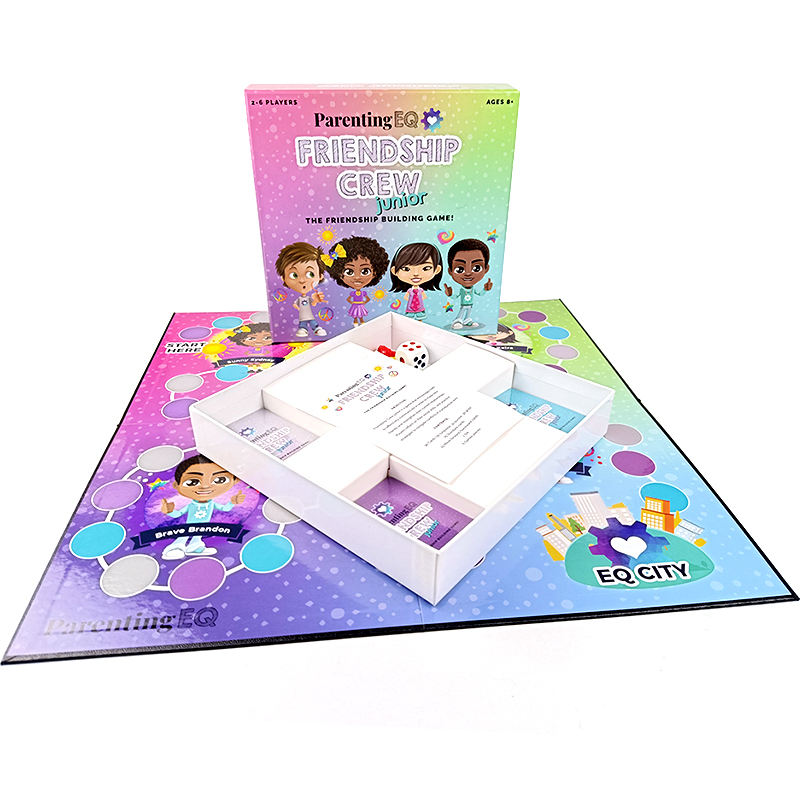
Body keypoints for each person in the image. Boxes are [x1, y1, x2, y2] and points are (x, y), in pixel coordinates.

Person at [160, 455, 245, 560]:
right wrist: (169, 511)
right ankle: (176, 547)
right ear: (177, 486)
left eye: (220, 479)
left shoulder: (211, 504)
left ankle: (194, 547)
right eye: (192, 482)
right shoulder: (192, 505)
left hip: (203, 526)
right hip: (189, 527)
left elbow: (225, 508)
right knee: (183, 536)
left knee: (197, 536)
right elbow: (179, 513)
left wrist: (232, 502)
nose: (205, 486)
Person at [325, 236, 389, 326]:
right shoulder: (353, 293)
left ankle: (361, 322)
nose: (357, 277)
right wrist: (353, 303)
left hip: (360, 305)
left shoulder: (363, 293)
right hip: (355, 305)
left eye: (365, 271)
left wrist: (363, 303)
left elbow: (366, 298)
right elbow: (349, 299)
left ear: (375, 273)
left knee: (360, 315)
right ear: (338, 273)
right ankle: (356, 322)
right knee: (355, 314)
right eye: (349, 272)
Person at [275, 242, 328, 338]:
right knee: (302, 324)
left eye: (310, 274)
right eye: (294, 275)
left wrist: (316, 300)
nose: (302, 280)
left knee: (313, 322)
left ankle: (316, 328)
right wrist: (299, 308)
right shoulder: (299, 299)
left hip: (309, 315)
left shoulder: (309, 297)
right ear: (283, 278)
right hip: (302, 316)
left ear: (320, 276)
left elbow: (313, 303)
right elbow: (294, 304)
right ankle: (303, 329)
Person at [444, 238, 493, 329]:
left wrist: (485, 289)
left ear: (486, 269)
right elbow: (456, 296)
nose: (468, 273)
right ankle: (457, 320)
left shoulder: (473, 288)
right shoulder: (462, 289)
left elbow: (479, 294)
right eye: (460, 269)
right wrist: (450, 294)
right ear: (450, 271)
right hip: (463, 304)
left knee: (468, 312)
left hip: (470, 304)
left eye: (476, 268)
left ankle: (467, 320)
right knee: (462, 311)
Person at [388, 242, 443, 320]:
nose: (416, 274)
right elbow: (407, 298)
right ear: (394, 271)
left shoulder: (420, 290)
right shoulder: (410, 291)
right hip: (410, 307)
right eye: (406, 269)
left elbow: (423, 297)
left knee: (420, 317)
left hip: (419, 307)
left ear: (437, 270)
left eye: (426, 268)